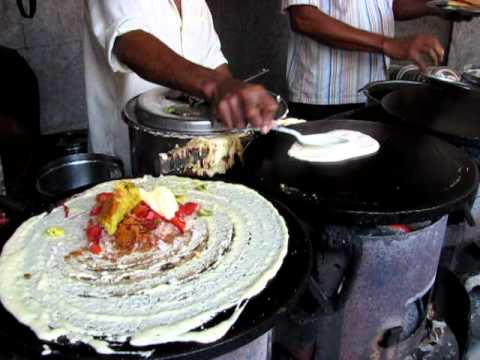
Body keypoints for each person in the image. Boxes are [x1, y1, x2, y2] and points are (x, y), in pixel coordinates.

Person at [83, 0, 278, 173]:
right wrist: (217, 86)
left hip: (191, 163)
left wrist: (239, 105)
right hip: (129, 161)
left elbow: (214, 63)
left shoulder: (195, 4)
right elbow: (130, 44)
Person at [282, 0, 447, 120]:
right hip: (324, 98)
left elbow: (390, 5)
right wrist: (388, 44)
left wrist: (440, 4)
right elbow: (304, 18)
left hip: (373, 92)